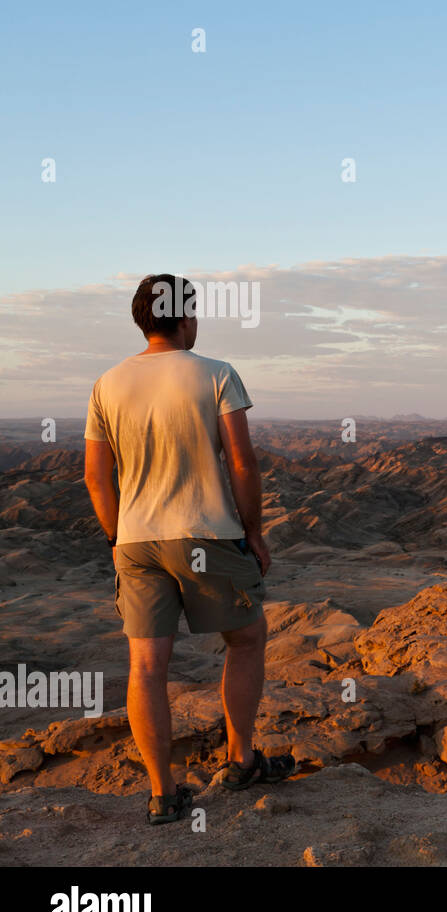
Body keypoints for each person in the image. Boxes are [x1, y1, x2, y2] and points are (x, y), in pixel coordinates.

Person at [83, 274, 294, 825]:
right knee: (247, 639)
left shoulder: (107, 383)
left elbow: (96, 477)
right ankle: (240, 759)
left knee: (146, 666)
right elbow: (242, 463)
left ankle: (163, 794)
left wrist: (115, 536)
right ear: (183, 318)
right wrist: (254, 530)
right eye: (195, 312)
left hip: (135, 539)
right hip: (205, 532)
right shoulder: (216, 374)